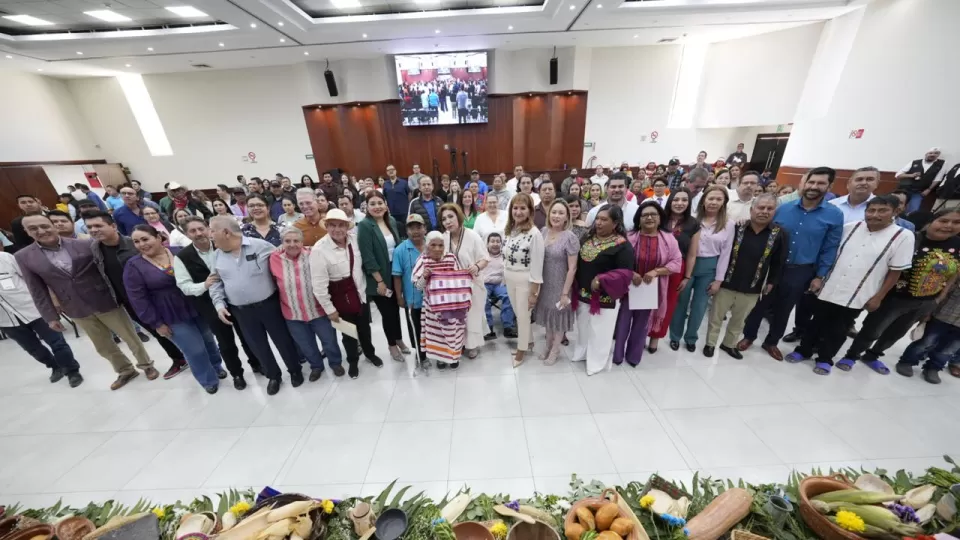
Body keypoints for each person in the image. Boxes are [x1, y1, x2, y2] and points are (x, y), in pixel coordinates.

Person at [16, 214, 158, 390]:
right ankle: (125, 370)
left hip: (104, 299)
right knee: (102, 345)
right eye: (33, 229)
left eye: (44, 226)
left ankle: (146, 365)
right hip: (74, 307)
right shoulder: (24, 256)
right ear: (27, 232)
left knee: (130, 336)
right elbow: (36, 288)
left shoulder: (85, 244)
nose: (41, 231)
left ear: (53, 225)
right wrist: (50, 316)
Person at [784, 196, 913, 375]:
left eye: (882, 210)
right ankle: (803, 350)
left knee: (839, 328)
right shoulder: (850, 228)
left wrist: (878, 297)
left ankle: (824, 358)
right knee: (816, 322)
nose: (875, 215)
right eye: (871, 210)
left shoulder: (903, 236)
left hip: (858, 292)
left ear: (895, 212)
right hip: (830, 286)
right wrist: (819, 278)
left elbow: (895, 272)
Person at [739, 167, 844, 360]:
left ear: (829, 186)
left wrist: (820, 276)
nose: (814, 187)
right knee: (759, 304)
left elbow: (830, 248)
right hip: (771, 266)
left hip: (801, 270)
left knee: (784, 309)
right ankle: (748, 336)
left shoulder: (834, 215)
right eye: (811, 182)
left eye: (820, 183)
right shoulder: (783, 208)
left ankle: (771, 342)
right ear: (804, 183)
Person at [839, 208, 960, 375]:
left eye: (956, 223)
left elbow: (953, 274)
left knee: (896, 333)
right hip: (894, 297)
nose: (949, 226)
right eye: (944, 221)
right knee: (873, 330)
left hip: (926, 301)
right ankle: (852, 356)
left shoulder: (957, 245)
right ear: (931, 222)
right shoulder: (910, 239)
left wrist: (939, 298)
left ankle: (873, 356)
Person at [123, 225, 226, 393]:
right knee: (194, 349)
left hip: (197, 304)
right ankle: (207, 379)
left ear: (158, 237)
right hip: (170, 314)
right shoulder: (134, 266)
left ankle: (216, 365)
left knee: (208, 340)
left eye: (145, 239)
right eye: (136, 241)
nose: (141, 244)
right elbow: (137, 299)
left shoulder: (179, 252)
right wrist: (156, 323)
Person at [208, 216, 304, 395]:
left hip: (269, 305)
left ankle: (294, 370)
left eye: (212, 230)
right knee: (257, 345)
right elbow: (215, 282)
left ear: (226, 232)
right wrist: (219, 304)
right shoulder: (216, 256)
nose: (210, 235)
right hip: (241, 311)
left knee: (283, 340)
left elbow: (283, 257)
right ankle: (273, 376)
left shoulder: (259, 246)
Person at [86, 212, 189, 379]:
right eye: (89, 227)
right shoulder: (95, 248)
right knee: (158, 331)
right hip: (128, 300)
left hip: (154, 296)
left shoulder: (134, 244)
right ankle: (179, 358)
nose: (94, 230)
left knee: (176, 328)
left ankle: (193, 354)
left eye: (98, 225)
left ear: (113, 226)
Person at [173, 216, 260, 390]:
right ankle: (237, 374)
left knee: (247, 336)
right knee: (225, 341)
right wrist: (204, 285)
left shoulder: (223, 245)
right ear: (186, 234)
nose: (198, 233)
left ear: (208, 229)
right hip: (209, 305)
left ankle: (257, 364)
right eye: (193, 231)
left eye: (201, 228)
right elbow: (184, 286)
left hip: (236, 299)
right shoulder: (182, 257)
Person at [705, 193, 786, 359]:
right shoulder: (736, 228)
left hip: (753, 286)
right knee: (716, 317)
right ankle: (710, 343)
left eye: (769, 209)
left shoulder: (779, 234)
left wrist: (771, 282)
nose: (764, 211)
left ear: (774, 212)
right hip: (727, 282)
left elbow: (778, 262)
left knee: (740, 320)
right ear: (751, 210)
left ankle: (729, 344)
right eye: (760, 207)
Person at [310, 209, 384, 379]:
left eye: (341, 225)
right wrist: (329, 309)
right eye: (333, 225)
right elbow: (319, 285)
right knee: (348, 333)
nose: (337, 229)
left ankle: (370, 353)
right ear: (327, 226)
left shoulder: (354, 240)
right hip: (340, 299)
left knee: (365, 329)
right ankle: (352, 360)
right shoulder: (319, 250)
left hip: (359, 294)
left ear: (347, 226)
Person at [0, 250, 83, 387]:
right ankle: (54, 366)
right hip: (6, 320)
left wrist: (51, 300)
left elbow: (33, 279)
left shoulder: (4, 258)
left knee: (57, 342)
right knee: (32, 349)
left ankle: (72, 371)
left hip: (33, 308)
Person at [614, 200, 682, 366]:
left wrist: (656, 272)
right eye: (645, 215)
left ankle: (634, 356)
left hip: (652, 289)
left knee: (642, 324)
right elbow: (617, 260)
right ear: (639, 219)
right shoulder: (629, 237)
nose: (649, 218)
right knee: (623, 322)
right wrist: (631, 273)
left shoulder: (669, 240)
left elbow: (676, 262)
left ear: (660, 218)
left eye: (653, 214)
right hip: (629, 288)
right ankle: (617, 355)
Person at [270, 227, 343, 381]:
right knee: (306, 345)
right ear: (281, 243)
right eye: (287, 241)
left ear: (302, 242)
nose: (292, 244)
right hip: (293, 313)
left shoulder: (313, 254)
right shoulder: (274, 258)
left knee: (329, 341)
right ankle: (316, 367)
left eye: (296, 241)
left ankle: (335, 363)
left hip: (318, 311)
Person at [668, 185, 735, 351]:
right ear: (703, 200)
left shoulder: (728, 224)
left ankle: (691, 337)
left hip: (709, 267)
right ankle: (675, 336)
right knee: (681, 303)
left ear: (724, 202)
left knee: (699, 306)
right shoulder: (691, 220)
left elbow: (726, 254)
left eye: (718, 199)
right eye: (710, 198)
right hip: (687, 265)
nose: (713, 202)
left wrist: (719, 280)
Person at [572, 204, 635, 375]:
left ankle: (597, 362)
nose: (598, 223)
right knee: (584, 326)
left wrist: (602, 279)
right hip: (583, 293)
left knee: (600, 330)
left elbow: (626, 273)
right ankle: (583, 352)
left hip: (605, 297)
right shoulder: (588, 237)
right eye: (597, 219)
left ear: (615, 223)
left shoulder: (622, 246)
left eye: (604, 219)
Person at [358, 191, 410, 361]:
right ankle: (392, 346)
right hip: (378, 276)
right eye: (372, 204)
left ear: (386, 204)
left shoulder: (392, 221)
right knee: (387, 314)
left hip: (394, 273)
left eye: (380, 203)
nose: (377, 207)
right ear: (367, 207)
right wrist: (379, 281)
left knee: (396, 310)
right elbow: (368, 257)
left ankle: (399, 339)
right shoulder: (365, 226)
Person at [529, 200, 579, 365]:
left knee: (558, 320)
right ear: (549, 215)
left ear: (566, 217)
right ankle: (548, 346)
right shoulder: (543, 232)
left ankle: (555, 349)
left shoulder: (570, 237)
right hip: (544, 284)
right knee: (548, 318)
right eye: (554, 212)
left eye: (561, 213)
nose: (556, 216)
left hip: (560, 284)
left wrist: (565, 292)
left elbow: (572, 268)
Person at [441, 203, 490, 359]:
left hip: (473, 284)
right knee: (457, 317)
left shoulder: (472, 235)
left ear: (458, 217)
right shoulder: (443, 238)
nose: (448, 221)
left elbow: (485, 259)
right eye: (444, 219)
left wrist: (476, 266)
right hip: (453, 286)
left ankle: (473, 345)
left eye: (450, 216)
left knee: (471, 316)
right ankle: (460, 343)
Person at [414, 231, 468, 367]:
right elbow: (418, 287)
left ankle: (454, 357)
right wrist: (424, 277)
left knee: (454, 331)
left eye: (440, 245)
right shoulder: (423, 260)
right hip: (433, 308)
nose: (437, 249)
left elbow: (459, 278)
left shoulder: (451, 258)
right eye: (433, 245)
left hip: (452, 304)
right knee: (437, 334)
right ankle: (440, 359)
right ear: (427, 246)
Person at [503, 193, 545, 366]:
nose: (518, 212)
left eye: (522, 208)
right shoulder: (511, 230)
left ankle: (521, 351)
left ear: (530, 211)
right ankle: (529, 342)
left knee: (523, 317)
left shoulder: (534, 234)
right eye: (515, 208)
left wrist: (534, 293)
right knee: (519, 313)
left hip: (525, 280)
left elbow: (537, 265)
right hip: (510, 277)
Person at [898, 284, 960, 383]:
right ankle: (907, 361)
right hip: (942, 315)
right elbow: (944, 291)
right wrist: (929, 311)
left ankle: (933, 368)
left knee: (948, 350)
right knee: (926, 342)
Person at [392, 214, 429, 367]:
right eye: (411, 228)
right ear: (406, 231)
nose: (415, 231)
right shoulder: (400, 250)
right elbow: (397, 275)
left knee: (433, 327)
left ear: (425, 229)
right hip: (413, 299)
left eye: (419, 227)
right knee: (416, 328)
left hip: (434, 298)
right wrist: (400, 297)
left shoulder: (433, 245)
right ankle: (421, 355)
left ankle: (435, 352)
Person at [480, 232, 517, 340]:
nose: (495, 244)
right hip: (485, 284)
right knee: (483, 298)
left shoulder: (505, 255)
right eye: (492, 241)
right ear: (487, 244)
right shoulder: (483, 256)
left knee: (508, 296)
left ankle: (508, 327)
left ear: (501, 243)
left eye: (497, 241)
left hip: (500, 284)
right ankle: (489, 329)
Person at [896, 147, 945, 214]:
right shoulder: (914, 162)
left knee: (913, 211)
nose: (932, 155)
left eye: (935, 153)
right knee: (897, 207)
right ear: (926, 154)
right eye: (930, 153)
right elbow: (898, 175)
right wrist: (911, 175)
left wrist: (929, 189)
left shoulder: (941, 165)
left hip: (919, 192)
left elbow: (938, 179)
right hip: (904, 190)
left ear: (938, 155)